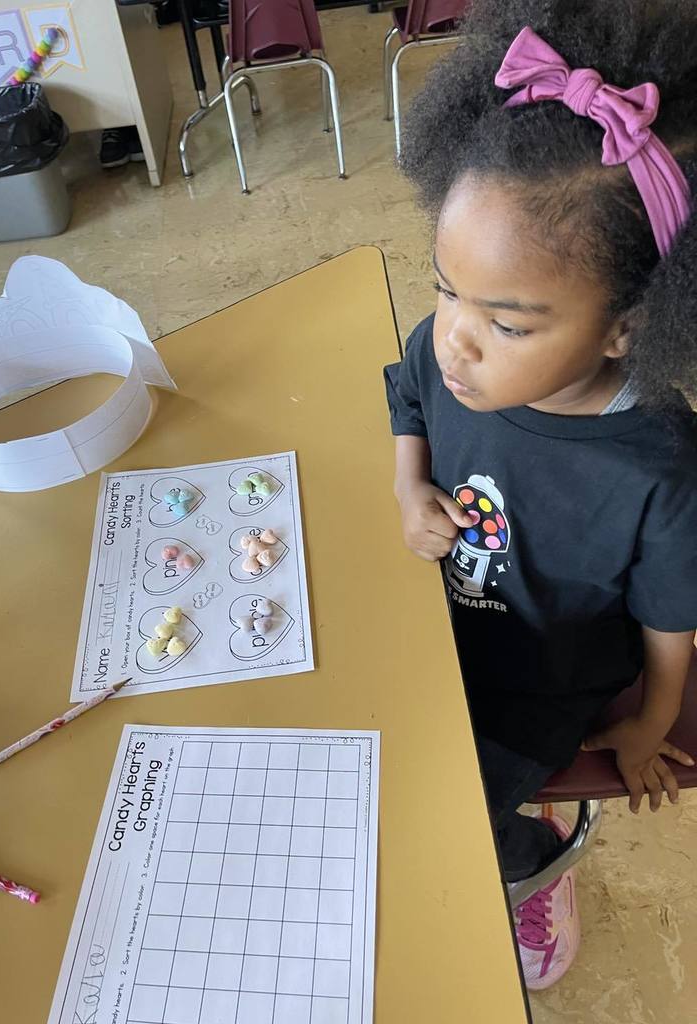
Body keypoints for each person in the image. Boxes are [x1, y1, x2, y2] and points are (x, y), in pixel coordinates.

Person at [384, 0, 697, 991]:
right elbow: (408, 390)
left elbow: (669, 618)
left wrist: (651, 723)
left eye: (507, 323)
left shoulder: (656, 466)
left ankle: (525, 864)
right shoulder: (454, 358)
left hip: (535, 683)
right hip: (434, 621)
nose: (455, 340)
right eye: (444, 287)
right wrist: (407, 484)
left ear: (626, 331)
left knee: (447, 820)